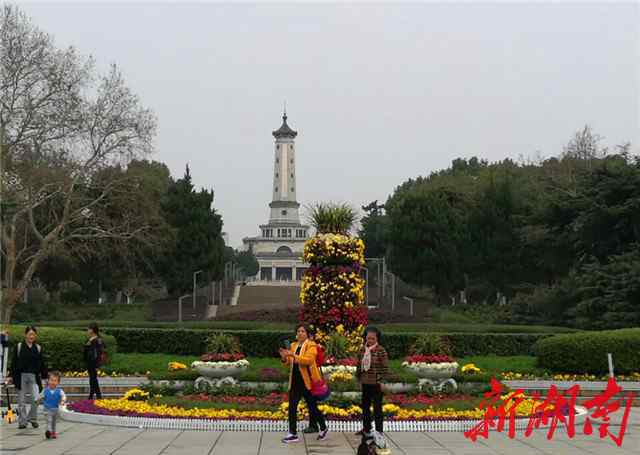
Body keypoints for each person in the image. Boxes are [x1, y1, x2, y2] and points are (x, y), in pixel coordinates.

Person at [279, 324, 328, 444]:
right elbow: (290, 362)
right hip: (295, 381)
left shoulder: (311, 345)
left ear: (307, 334)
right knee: (292, 407)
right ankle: (292, 434)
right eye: (298, 331)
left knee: (312, 407)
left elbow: (308, 360)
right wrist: (285, 358)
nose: (300, 333)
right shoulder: (293, 345)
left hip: (308, 382)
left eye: (303, 331)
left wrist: (292, 355)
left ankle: (323, 427)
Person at [10, 326, 48, 429]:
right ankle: (22, 422)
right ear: (25, 334)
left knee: (35, 399)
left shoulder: (38, 348)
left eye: (33, 334)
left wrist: (45, 376)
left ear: (35, 336)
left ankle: (32, 418)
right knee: (21, 400)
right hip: (21, 376)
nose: (31, 336)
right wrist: (11, 376)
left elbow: (42, 363)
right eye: (29, 334)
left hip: (33, 376)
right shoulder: (19, 347)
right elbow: (14, 363)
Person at [355, 326, 389, 437]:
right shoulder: (362, 350)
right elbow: (359, 366)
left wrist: (382, 381)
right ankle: (366, 429)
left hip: (376, 384)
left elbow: (384, 368)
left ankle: (379, 431)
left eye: (372, 339)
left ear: (377, 339)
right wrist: (358, 380)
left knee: (377, 408)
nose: (369, 341)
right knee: (365, 407)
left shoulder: (381, 350)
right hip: (365, 383)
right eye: (368, 338)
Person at [304, 333, 326, 434]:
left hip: (312, 377)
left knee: (311, 402)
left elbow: (320, 361)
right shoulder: (302, 346)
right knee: (310, 403)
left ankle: (316, 425)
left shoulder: (314, 347)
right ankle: (314, 425)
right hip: (305, 377)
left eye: (309, 336)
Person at [39, 371, 66, 439]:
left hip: (55, 409)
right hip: (47, 409)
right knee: (49, 420)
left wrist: (62, 401)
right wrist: (38, 400)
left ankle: (53, 432)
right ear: (48, 381)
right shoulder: (45, 390)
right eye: (51, 380)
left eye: (55, 381)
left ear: (58, 382)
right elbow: (40, 396)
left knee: (53, 422)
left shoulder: (59, 391)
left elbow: (63, 396)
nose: (53, 382)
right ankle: (48, 431)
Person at [84, 323, 104, 400]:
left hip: (93, 363)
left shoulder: (98, 340)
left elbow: (99, 353)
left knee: (93, 379)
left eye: (88, 329)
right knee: (92, 378)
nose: (87, 330)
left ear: (92, 330)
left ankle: (98, 396)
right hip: (89, 362)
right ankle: (91, 396)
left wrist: (97, 365)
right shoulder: (90, 339)